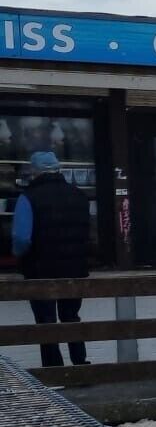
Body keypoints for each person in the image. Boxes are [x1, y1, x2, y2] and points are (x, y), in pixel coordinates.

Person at [10, 151, 91, 368]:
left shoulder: (28, 198)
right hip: (75, 269)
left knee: (46, 323)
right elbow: (88, 234)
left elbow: (21, 238)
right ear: (58, 169)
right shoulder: (79, 195)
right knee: (71, 317)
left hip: (40, 270)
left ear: (35, 172)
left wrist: (18, 256)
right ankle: (81, 366)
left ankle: (55, 370)